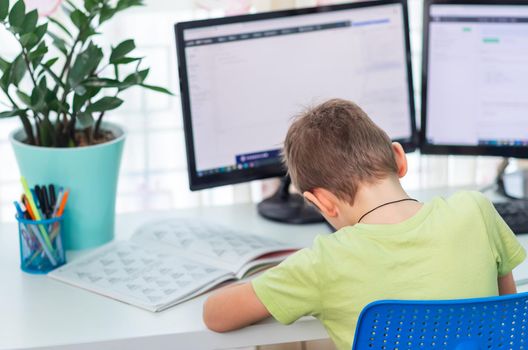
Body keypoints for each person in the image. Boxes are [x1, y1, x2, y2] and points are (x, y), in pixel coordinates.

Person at [202, 99, 526, 350]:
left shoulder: (323, 263)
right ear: (399, 159)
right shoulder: (476, 210)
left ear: (320, 202)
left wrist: (281, 273)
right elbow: (503, 321)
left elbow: (215, 315)